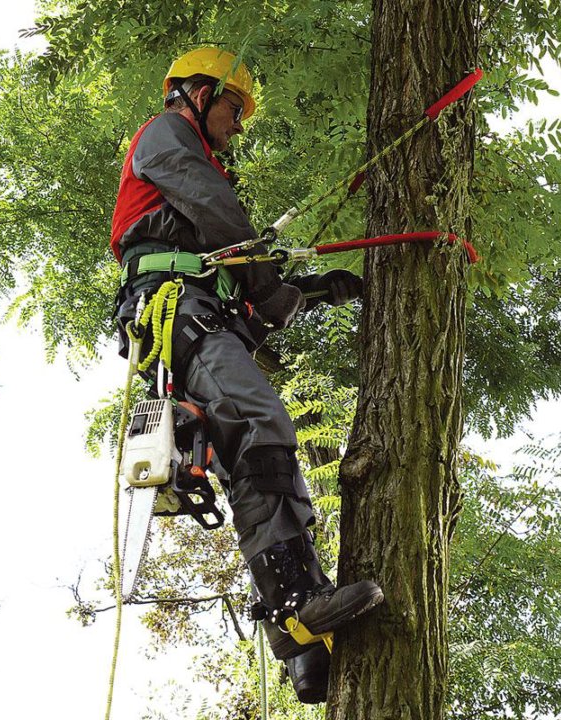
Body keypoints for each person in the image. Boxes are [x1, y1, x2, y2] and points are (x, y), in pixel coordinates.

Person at [111, 47, 383, 701]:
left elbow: (253, 303)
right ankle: (295, 600)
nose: (237, 125)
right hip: (176, 310)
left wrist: (317, 292)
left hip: (197, 314)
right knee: (260, 419)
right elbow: (225, 225)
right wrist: (264, 282)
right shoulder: (167, 135)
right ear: (199, 94)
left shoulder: (201, 222)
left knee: (249, 455)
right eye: (234, 107)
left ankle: (298, 633)